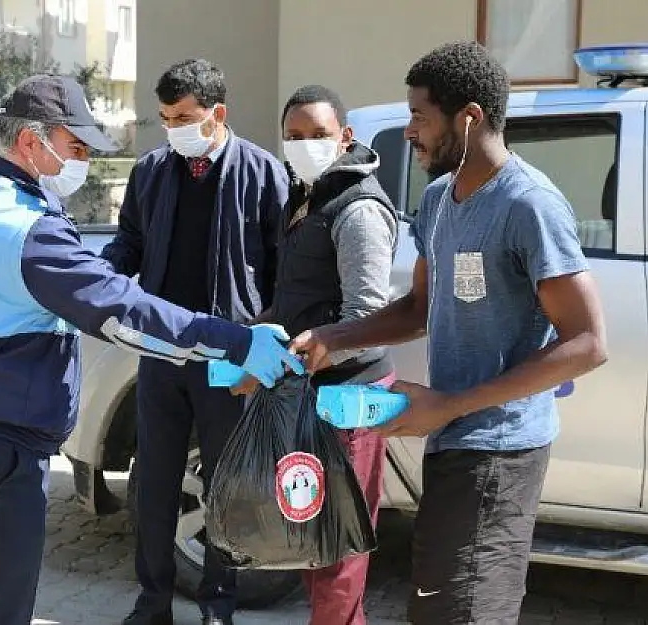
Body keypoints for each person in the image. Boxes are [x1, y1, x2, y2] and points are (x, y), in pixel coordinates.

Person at [0, 73, 302, 625]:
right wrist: (237, 342)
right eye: (75, 147)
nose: (82, 161)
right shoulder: (27, 227)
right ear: (32, 141)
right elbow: (123, 311)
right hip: (1, 454)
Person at [289, 41, 608, 624]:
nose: (409, 131)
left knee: (463, 612)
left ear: (469, 118)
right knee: (437, 608)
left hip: (502, 449)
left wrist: (451, 404)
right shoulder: (437, 199)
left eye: (419, 116)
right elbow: (417, 308)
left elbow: (588, 343)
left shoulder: (528, 204)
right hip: (453, 442)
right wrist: (335, 336)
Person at [100, 59, 289, 625]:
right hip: (162, 353)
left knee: (227, 487)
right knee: (154, 484)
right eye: (164, 118)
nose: (173, 128)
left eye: (184, 117)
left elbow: (282, 269)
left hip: (228, 358)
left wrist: (266, 338)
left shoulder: (262, 172)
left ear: (217, 114)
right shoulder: (153, 170)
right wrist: (99, 278)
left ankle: (217, 605)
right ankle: (152, 602)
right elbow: (129, 241)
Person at [231, 84, 399, 625]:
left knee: (337, 548)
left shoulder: (358, 209)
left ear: (345, 137)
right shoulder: (305, 200)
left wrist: (277, 365)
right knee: (309, 535)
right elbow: (292, 303)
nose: (305, 144)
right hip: (310, 392)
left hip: (349, 398)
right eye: (295, 136)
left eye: (319, 135)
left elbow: (368, 322)